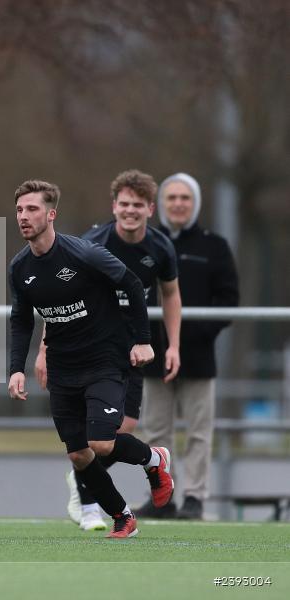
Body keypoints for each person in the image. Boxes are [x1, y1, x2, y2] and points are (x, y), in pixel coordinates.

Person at [8, 179, 174, 539]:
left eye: (32, 209)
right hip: (63, 367)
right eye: (20, 209)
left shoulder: (84, 253)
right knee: (80, 455)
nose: (24, 216)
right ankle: (122, 516)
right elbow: (21, 319)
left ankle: (154, 460)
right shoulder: (20, 267)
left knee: (101, 443)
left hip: (104, 360)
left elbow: (131, 283)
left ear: (51, 214)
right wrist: (15, 369)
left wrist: (144, 341)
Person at [140, 172, 239, 520]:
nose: (178, 204)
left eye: (185, 198)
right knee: (155, 430)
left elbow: (229, 301)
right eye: (172, 198)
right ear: (160, 204)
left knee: (199, 431)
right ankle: (162, 497)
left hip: (198, 357)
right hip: (151, 356)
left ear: (194, 203)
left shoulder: (214, 246)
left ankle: (195, 497)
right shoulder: (146, 243)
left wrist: (190, 338)